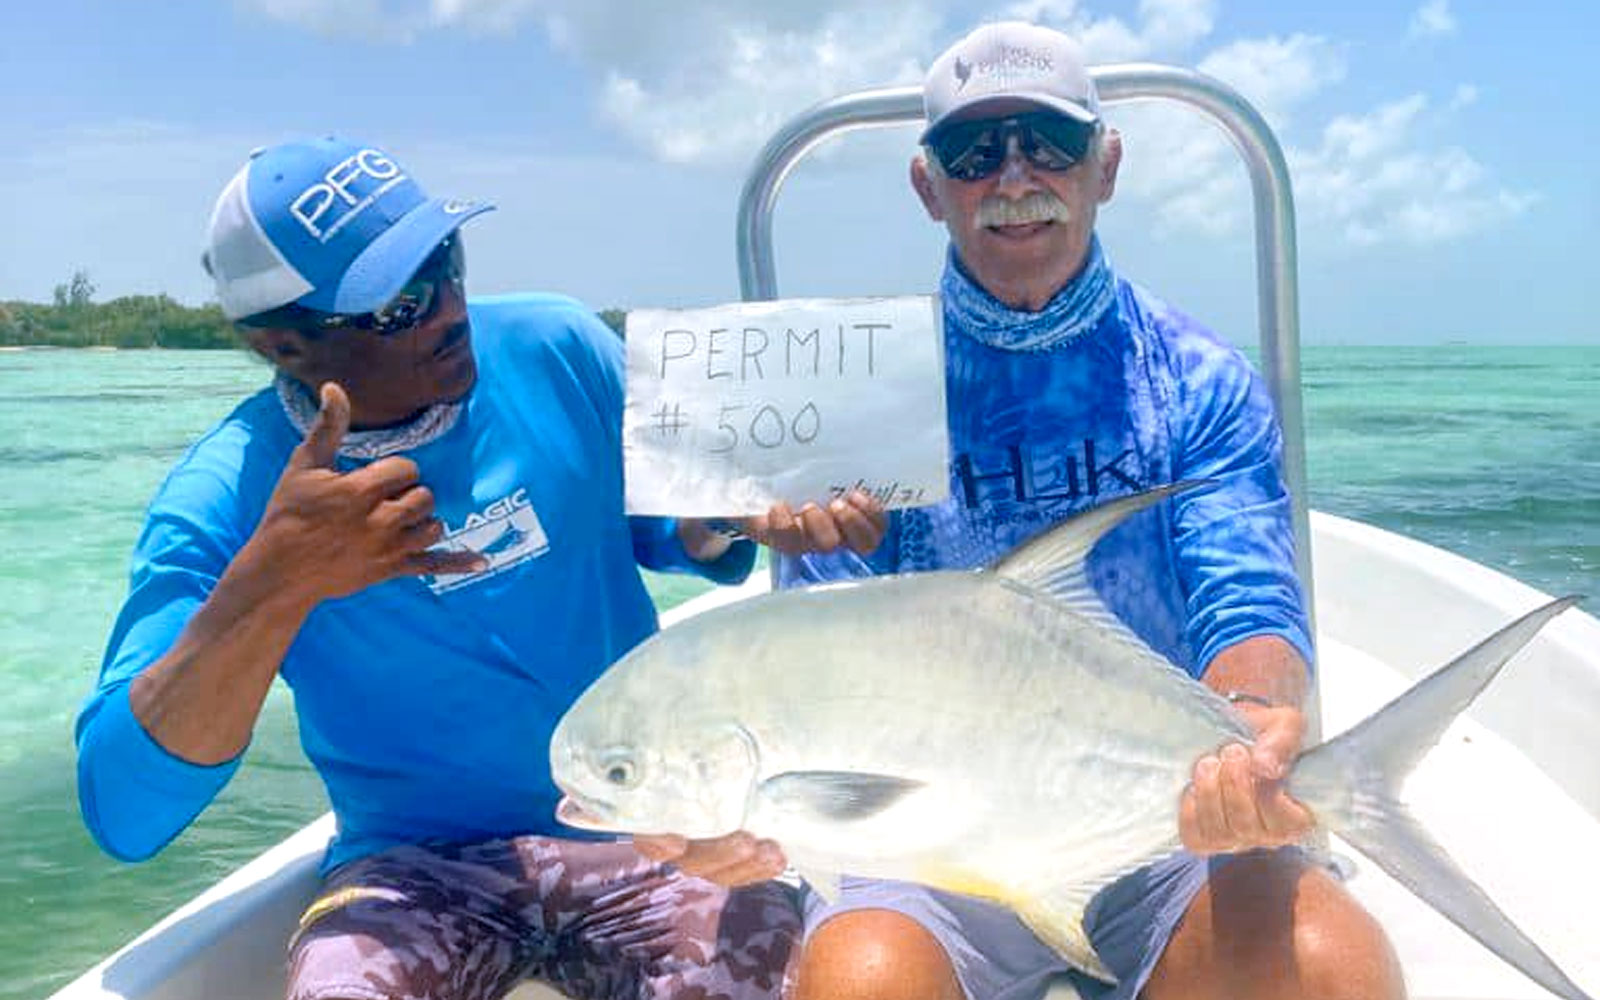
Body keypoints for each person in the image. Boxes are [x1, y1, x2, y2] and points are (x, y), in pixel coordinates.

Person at [656, 20, 1406, 1000]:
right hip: (927, 827)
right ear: (928, 185)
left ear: (1106, 164)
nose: (1013, 177)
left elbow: (1244, 596)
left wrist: (1256, 732)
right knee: (856, 985)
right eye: (974, 152)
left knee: (1330, 970)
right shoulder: (845, 391)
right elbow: (808, 662)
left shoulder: (1196, 380)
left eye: (1048, 143)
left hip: (1167, 828)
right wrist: (747, 809)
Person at [74, 136, 883, 1000]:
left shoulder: (557, 346)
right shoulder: (228, 493)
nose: (448, 308)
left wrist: (730, 516)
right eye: (399, 302)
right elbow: (124, 812)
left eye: (445, 260)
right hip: (407, 871)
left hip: (646, 830)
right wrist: (277, 583)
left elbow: (675, 532)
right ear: (284, 345)